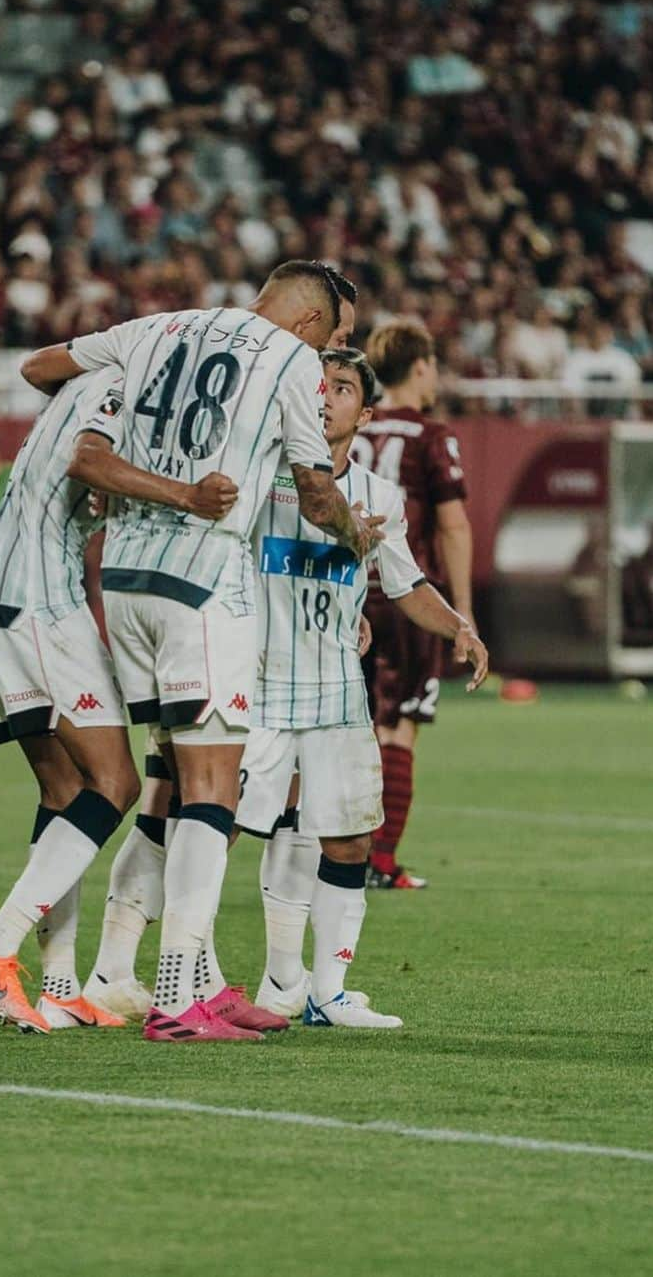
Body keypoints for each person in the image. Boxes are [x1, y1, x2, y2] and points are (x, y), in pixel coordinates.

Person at [25, 260, 383, 1042]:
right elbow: (317, 492)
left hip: (122, 577)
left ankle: (168, 976)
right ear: (310, 325)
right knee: (207, 792)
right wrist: (357, 539)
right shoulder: (290, 362)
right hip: (202, 587)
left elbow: (41, 367)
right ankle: (179, 995)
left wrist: (117, 467)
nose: (330, 367)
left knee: (169, 785)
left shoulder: (160, 326)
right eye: (339, 340)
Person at [0, 365, 237, 1034]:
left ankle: (59, 987)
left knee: (63, 789)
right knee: (115, 782)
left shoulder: (88, 376)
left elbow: (38, 369)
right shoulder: (126, 379)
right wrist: (185, 496)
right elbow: (88, 458)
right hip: (38, 594)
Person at [240, 349, 487, 1026]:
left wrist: (457, 627)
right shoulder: (263, 475)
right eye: (315, 386)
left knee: (348, 838)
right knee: (225, 828)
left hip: (337, 693)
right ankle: (215, 980)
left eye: (342, 388)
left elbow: (405, 582)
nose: (324, 397)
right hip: (259, 687)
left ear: (366, 413)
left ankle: (324, 992)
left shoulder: (380, 496)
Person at [355, 320, 473, 889]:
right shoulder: (431, 435)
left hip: (346, 590)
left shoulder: (356, 423)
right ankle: (379, 862)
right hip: (406, 592)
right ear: (421, 365)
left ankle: (340, 856)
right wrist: (462, 612)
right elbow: (452, 525)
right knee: (401, 727)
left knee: (357, 727)